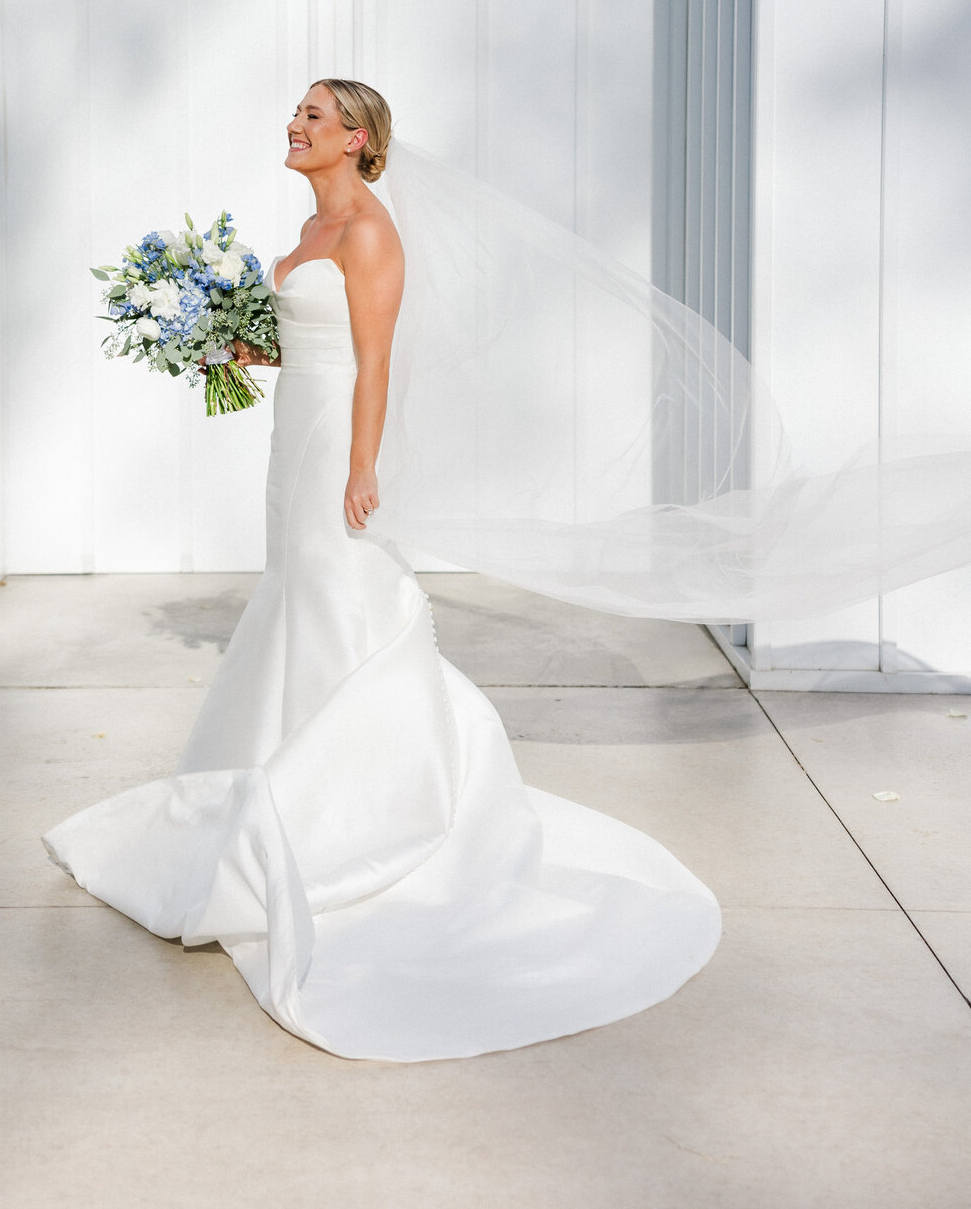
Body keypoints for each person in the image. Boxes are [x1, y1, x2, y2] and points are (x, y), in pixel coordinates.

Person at [44, 78, 723, 1062]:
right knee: (294, 591)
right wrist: (215, 345)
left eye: (314, 116)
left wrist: (363, 466)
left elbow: (373, 361)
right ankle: (276, 772)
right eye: (295, 113)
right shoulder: (309, 228)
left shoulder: (368, 232)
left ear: (356, 138)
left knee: (335, 590)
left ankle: (360, 804)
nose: (295, 123)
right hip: (291, 435)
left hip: (335, 443)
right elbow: (295, 344)